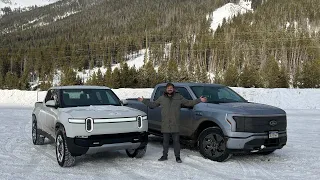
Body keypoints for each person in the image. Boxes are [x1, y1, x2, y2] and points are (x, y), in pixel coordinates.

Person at [138, 83, 207, 163]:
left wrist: (199, 100)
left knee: (176, 142)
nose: (169, 89)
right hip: (165, 124)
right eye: (168, 88)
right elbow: (153, 105)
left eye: (171, 88)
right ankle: (164, 156)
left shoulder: (179, 97)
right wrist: (143, 101)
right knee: (165, 142)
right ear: (166, 89)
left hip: (175, 123)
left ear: (173, 89)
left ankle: (177, 157)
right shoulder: (162, 98)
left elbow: (188, 103)